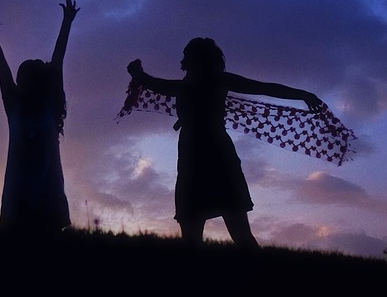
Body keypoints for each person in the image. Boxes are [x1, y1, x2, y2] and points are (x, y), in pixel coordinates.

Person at [125, 37, 324, 250]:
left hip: (205, 156)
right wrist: (303, 95)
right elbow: (265, 88)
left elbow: (158, 85)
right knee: (229, 230)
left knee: (206, 231)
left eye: (188, 59)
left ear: (192, 61)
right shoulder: (209, 82)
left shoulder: (200, 84)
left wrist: (137, 73)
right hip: (209, 155)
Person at [0, 0, 78, 234]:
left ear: (35, 81)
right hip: (17, 200)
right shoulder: (14, 106)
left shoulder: (51, 106)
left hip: (49, 198)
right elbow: (0, 64)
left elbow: (58, 61)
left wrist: (67, 22)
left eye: (24, 74)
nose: (17, 79)